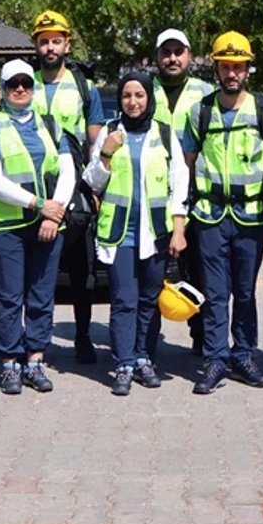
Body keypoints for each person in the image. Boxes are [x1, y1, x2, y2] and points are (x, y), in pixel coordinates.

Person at [181, 31, 263, 395]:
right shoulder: (199, 112)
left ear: (248, 69)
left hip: (251, 216)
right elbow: (187, 166)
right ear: (216, 69)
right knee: (215, 293)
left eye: (238, 66)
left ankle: (244, 355)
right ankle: (216, 358)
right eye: (225, 67)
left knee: (245, 292)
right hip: (210, 216)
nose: (232, 73)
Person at [83, 72, 189, 395]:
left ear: (149, 98)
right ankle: (123, 364)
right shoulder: (110, 134)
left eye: (139, 95)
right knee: (124, 301)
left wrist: (179, 228)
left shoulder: (166, 133)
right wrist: (105, 154)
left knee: (148, 300)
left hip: (156, 232)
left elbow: (179, 181)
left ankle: (145, 358)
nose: (133, 101)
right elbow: (92, 181)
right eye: (127, 95)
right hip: (119, 233)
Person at [0, 59, 75, 394]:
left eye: (26, 83)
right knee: (9, 296)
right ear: (2, 89)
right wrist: (38, 204)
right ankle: (9, 363)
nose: (20, 89)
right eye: (13, 83)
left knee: (41, 296)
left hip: (48, 224)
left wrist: (53, 212)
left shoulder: (50, 124)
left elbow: (67, 171)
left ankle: (35, 360)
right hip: (6, 227)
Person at [30, 10, 105, 364]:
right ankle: (35, 341)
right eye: (43, 41)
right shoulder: (22, 83)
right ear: (36, 45)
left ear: (66, 44)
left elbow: (94, 141)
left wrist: (96, 188)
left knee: (81, 269)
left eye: (55, 40)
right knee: (37, 269)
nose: (49, 47)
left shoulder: (83, 87)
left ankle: (83, 336)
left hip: (75, 186)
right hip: (35, 186)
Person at [152, 28, 214, 356]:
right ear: (157, 57)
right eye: (166, 52)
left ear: (190, 56)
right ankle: (146, 347)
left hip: (198, 197)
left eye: (179, 51)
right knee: (153, 275)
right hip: (154, 197)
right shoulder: (144, 91)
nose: (172, 58)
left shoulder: (206, 93)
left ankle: (203, 342)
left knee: (201, 270)